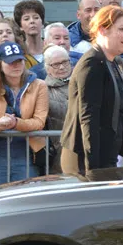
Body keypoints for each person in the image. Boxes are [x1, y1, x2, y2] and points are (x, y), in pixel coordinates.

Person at [60, 5, 123, 175]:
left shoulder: (112, 63)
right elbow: (88, 117)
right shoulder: (92, 63)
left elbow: (121, 113)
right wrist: (93, 168)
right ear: (103, 30)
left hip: (105, 154)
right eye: (122, 29)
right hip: (85, 157)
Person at [0, 41, 49, 186]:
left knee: (26, 197)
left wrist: (16, 123)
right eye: (10, 62)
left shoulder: (39, 85)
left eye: (19, 61)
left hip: (27, 154)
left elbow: (39, 122)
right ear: (0, 65)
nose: (16, 65)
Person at [43, 45, 72, 173]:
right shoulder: (43, 89)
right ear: (47, 68)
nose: (61, 67)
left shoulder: (83, 83)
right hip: (58, 151)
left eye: (65, 62)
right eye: (56, 64)